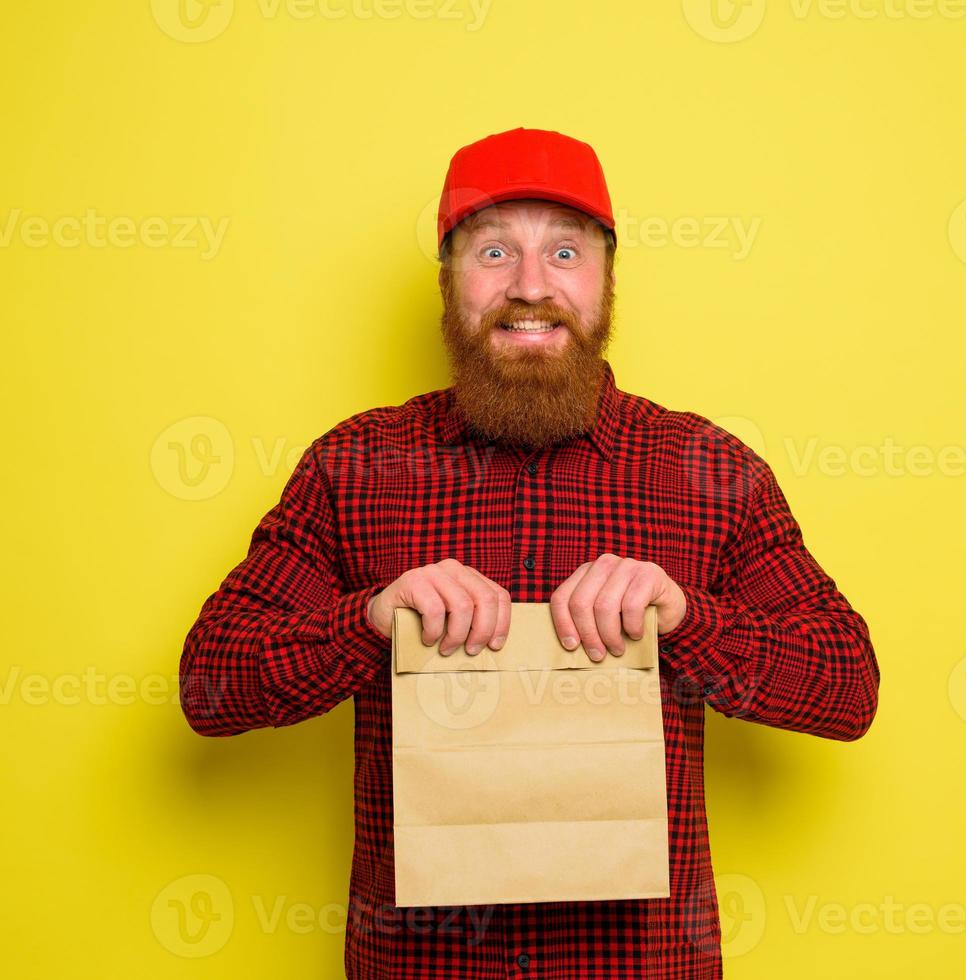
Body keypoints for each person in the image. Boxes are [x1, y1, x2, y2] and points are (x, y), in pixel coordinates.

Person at [179, 126, 881, 979]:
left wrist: (689, 620)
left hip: (639, 966)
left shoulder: (709, 470)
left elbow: (847, 688)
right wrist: (364, 622)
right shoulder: (355, 465)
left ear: (605, 281)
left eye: (563, 252)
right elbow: (209, 685)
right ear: (448, 281)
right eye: (494, 250)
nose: (529, 287)